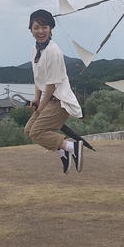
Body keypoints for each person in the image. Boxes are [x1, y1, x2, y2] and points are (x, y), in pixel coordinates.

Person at [24, 9, 84, 173]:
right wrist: (36, 99)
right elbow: (39, 78)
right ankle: (63, 153)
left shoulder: (53, 51)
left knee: (37, 132)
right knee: (29, 131)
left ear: (51, 28)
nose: (40, 31)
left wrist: (41, 106)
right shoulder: (35, 50)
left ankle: (72, 147)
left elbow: (51, 85)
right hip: (48, 100)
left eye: (44, 27)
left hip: (59, 102)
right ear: (31, 29)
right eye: (36, 27)